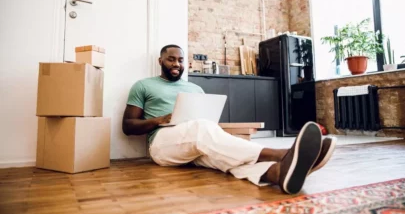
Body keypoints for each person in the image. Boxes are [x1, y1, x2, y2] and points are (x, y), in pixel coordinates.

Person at [122, 44, 337, 194]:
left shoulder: (194, 88)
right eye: (171, 59)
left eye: (180, 59)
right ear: (161, 60)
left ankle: (278, 173)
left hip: (196, 142)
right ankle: (285, 154)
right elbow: (128, 126)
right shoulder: (143, 85)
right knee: (201, 128)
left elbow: (206, 123)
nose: (176, 63)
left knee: (226, 157)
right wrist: (160, 119)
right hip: (162, 145)